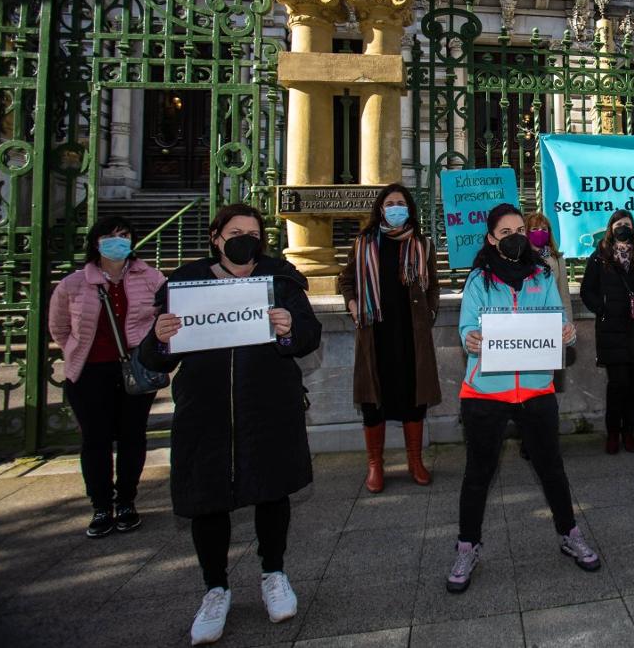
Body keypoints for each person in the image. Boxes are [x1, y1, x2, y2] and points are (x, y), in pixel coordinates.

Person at [138, 204, 322, 645]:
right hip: (206, 409)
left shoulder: (282, 278)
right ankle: (215, 587)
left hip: (268, 407)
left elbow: (308, 337)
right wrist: (160, 339)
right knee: (208, 499)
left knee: (272, 491)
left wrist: (288, 327)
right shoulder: (184, 282)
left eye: (254, 232)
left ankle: (273, 573)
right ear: (216, 237)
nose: (246, 238)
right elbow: (154, 355)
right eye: (236, 231)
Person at [449, 203, 598, 593]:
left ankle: (570, 533)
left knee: (552, 469)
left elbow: (555, 318)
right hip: (485, 392)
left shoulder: (541, 274)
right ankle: (467, 545)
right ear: (491, 240)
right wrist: (470, 338)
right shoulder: (479, 281)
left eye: (520, 229)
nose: (516, 236)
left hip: (535, 390)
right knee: (478, 475)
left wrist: (565, 333)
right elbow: (467, 324)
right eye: (506, 232)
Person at [48, 216, 165, 538]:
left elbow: (166, 317)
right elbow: (59, 328)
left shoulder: (151, 278)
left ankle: (126, 501)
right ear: (96, 242)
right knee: (95, 440)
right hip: (89, 372)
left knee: (132, 436)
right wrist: (78, 351)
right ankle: (101, 505)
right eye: (111, 236)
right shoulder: (73, 284)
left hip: (135, 370)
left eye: (124, 236)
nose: (118, 242)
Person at [338, 184, 441, 493]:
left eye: (401, 202)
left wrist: (431, 313)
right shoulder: (364, 242)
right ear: (380, 209)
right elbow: (346, 279)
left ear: (409, 208)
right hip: (375, 333)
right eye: (390, 203)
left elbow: (433, 284)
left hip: (411, 334)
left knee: (413, 396)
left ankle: (415, 460)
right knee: (374, 400)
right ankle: (375, 465)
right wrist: (354, 305)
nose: (396, 207)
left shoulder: (423, 243)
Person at [580, 211, 634, 454]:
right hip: (612, 331)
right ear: (611, 228)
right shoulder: (600, 256)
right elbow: (587, 290)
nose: (623, 227)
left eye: (627, 224)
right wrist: (603, 309)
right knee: (618, 385)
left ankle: (629, 432)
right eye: (619, 224)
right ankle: (613, 434)